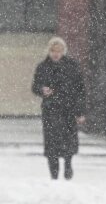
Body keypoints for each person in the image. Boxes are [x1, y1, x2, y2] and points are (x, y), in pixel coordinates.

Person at [31, 37, 86, 180]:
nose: (56, 54)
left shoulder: (72, 66)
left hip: (68, 109)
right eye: (53, 51)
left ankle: (68, 165)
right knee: (51, 144)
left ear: (64, 51)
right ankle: (53, 174)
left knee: (68, 141)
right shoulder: (42, 67)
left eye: (59, 51)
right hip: (50, 110)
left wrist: (80, 112)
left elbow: (80, 90)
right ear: (49, 51)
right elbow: (35, 87)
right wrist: (43, 90)